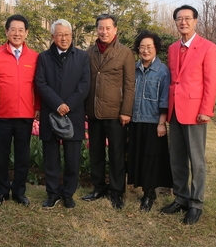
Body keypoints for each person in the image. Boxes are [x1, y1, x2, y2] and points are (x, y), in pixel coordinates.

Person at [161, 5, 216, 225]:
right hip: (175, 110)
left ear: (195, 21)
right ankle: (181, 197)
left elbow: (210, 81)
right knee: (177, 158)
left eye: (187, 18)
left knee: (197, 160)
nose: (183, 22)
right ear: (175, 22)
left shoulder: (207, 47)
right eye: (179, 19)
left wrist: (206, 110)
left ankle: (196, 203)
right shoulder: (173, 48)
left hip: (195, 112)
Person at [0, 14, 40, 207]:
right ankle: (2, 191)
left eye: (21, 30)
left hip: (25, 115)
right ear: (6, 32)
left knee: (23, 156)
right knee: (1, 155)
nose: (17, 33)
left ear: (26, 33)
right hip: (1, 115)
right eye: (13, 29)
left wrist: (37, 107)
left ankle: (19, 192)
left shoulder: (34, 57)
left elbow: (38, 85)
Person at [35, 19, 90, 209]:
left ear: (72, 36)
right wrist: (58, 104)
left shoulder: (82, 57)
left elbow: (84, 85)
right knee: (51, 157)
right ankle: (52, 193)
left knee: (72, 159)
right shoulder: (43, 57)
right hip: (51, 112)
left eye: (67, 34)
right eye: (59, 34)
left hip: (73, 114)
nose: (64, 38)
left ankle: (68, 193)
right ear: (52, 37)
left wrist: (69, 105)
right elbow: (40, 83)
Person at [83, 13, 135, 209]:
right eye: (100, 28)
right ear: (96, 30)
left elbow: (130, 85)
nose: (103, 32)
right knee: (95, 152)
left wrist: (126, 111)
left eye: (107, 28)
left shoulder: (125, 53)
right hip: (94, 112)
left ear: (115, 30)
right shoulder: (89, 52)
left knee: (116, 154)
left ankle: (116, 191)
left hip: (116, 114)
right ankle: (98, 187)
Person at [127, 30, 172, 212]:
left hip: (153, 122)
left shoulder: (162, 71)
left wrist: (162, 123)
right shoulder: (134, 69)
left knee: (151, 159)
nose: (145, 50)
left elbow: (164, 98)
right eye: (142, 47)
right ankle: (146, 190)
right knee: (138, 157)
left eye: (149, 47)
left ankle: (149, 194)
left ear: (156, 49)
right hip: (136, 120)